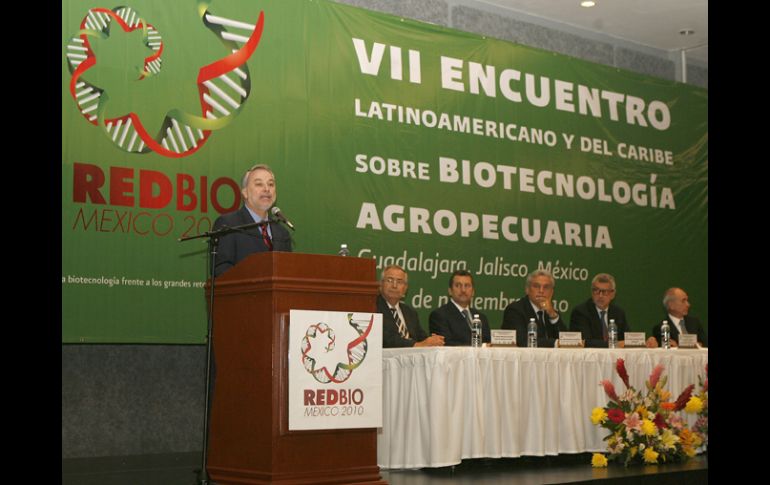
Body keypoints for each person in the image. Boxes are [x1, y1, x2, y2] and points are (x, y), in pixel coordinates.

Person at [212, 164, 292, 277]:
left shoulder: (282, 233)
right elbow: (221, 271)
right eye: (259, 184)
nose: (267, 189)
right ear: (245, 192)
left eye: (271, 184)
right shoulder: (228, 224)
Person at [377, 265, 445, 348]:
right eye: (389, 280)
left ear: (405, 288)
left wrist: (432, 340)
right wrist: (416, 345)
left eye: (399, 282)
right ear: (380, 284)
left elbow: (421, 337)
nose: (394, 286)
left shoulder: (410, 312)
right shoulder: (373, 308)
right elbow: (386, 339)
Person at [501, 269, 567, 347]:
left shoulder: (552, 313)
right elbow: (522, 341)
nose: (541, 291)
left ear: (552, 292)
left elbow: (565, 339)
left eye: (546, 287)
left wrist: (553, 315)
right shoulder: (515, 310)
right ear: (527, 290)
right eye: (536, 286)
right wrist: (555, 343)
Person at [429, 270, 491, 346]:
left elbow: (488, 343)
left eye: (467, 286)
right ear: (450, 291)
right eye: (458, 285)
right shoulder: (439, 315)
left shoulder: (481, 317)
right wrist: (481, 346)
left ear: (473, 291)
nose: (463, 290)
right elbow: (446, 344)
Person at [569, 273, 632, 348]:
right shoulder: (580, 312)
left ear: (613, 294)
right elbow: (585, 342)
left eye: (604, 292)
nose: (600, 295)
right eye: (596, 291)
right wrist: (614, 344)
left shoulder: (618, 313)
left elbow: (627, 339)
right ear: (592, 292)